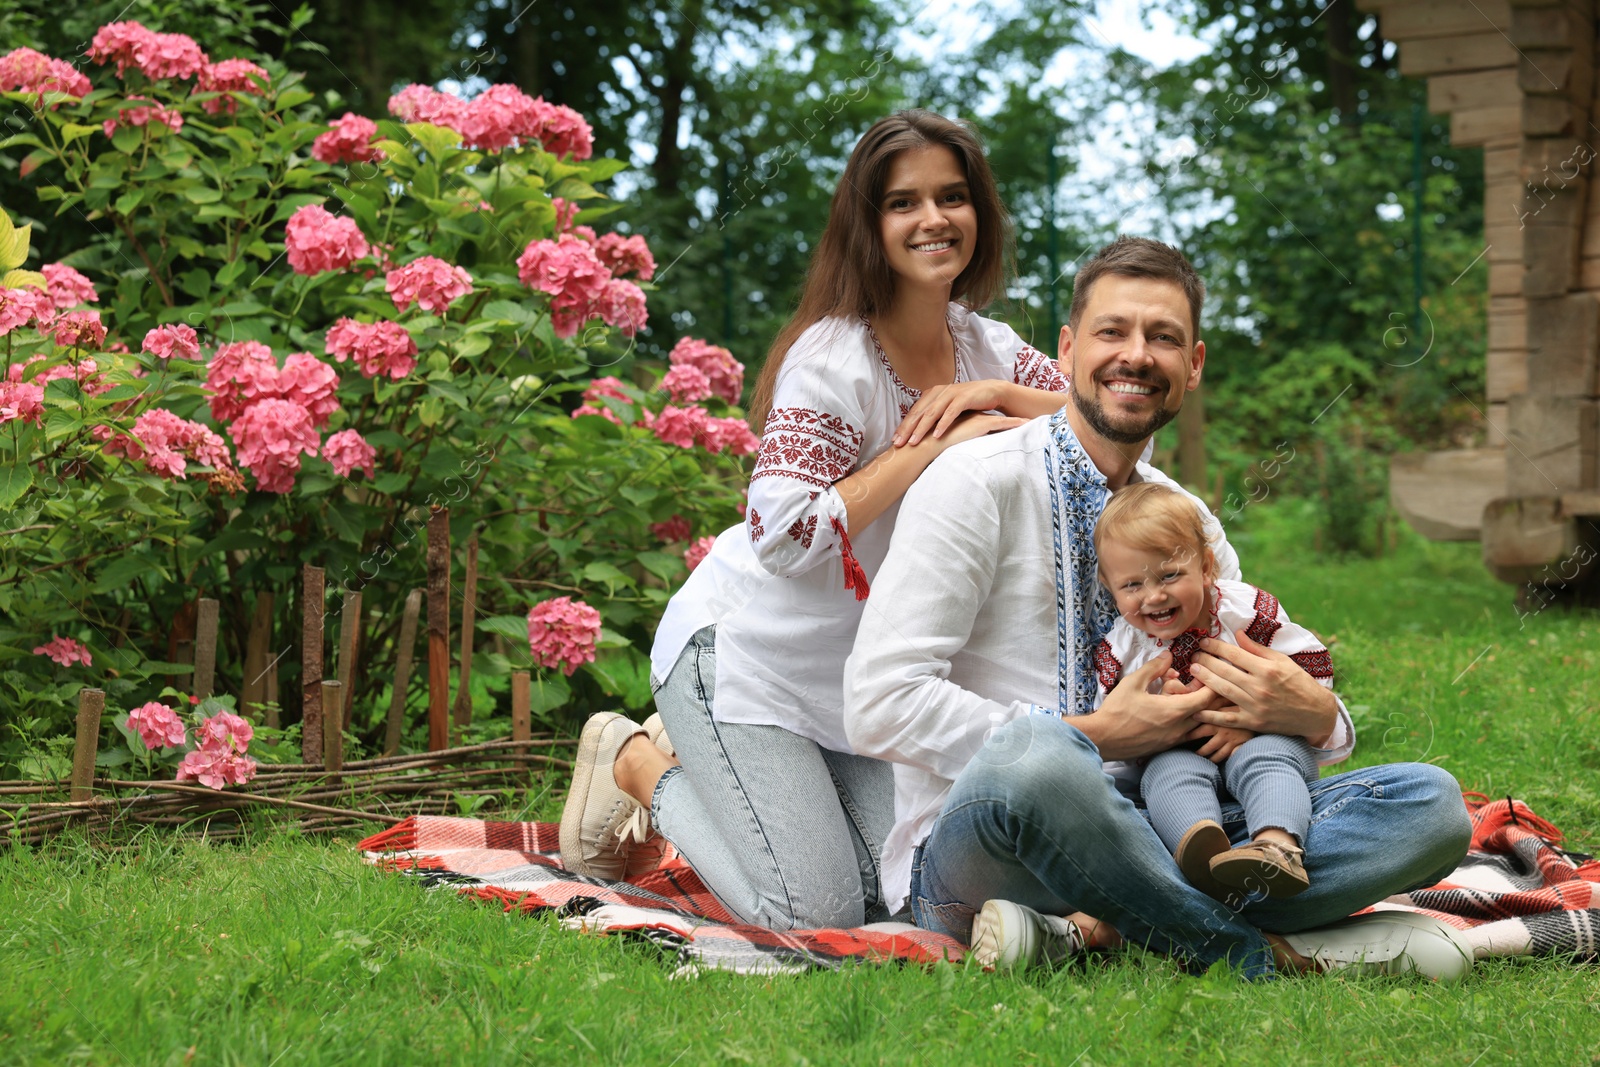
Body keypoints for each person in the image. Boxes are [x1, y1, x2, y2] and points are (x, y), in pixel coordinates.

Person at [844, 235, 1475, 979]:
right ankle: (1256, 950)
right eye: (1113, 332)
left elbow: (1256, 684)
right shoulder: (975, 483)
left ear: (1194, 366)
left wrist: (1314, 713)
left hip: (1171, 823)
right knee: (1043, 758)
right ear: (1070, 349)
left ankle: (1105, 927)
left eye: (1163, 338)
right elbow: (877, 702)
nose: (1136, 356)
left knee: (1431, 804)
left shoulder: (1187, 517)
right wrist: (1099, 734)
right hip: (990, 842)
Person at [558, 110, 1076, 931]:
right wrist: (933, 446)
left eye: (953, 196)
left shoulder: (989, 349)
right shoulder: (835, 360)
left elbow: (1103, 420)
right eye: (904, 202)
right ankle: (634, 760)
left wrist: (999, 398)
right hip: (743, 658)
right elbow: (784, 534)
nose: (934, 218)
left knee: (895, 889)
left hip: (858, 684)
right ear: (869, 226)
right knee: (809, 908)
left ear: (980, 211)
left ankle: (767, 791)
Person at [1091, 480, 1331, 902]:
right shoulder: (1122, 649)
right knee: (1167, 774)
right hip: (1180, 752)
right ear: (1110, 588)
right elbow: (1116, 731)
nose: (1154, 595)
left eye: (1170, 575)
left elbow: (1308, 669)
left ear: (1205, 567)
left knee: (1268, 757)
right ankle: (1200, 855)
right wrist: (1161, 717)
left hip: (1260, 736)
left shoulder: (1245, 612)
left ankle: (1276, 847)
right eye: (1132, 586)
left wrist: (1254, 720)